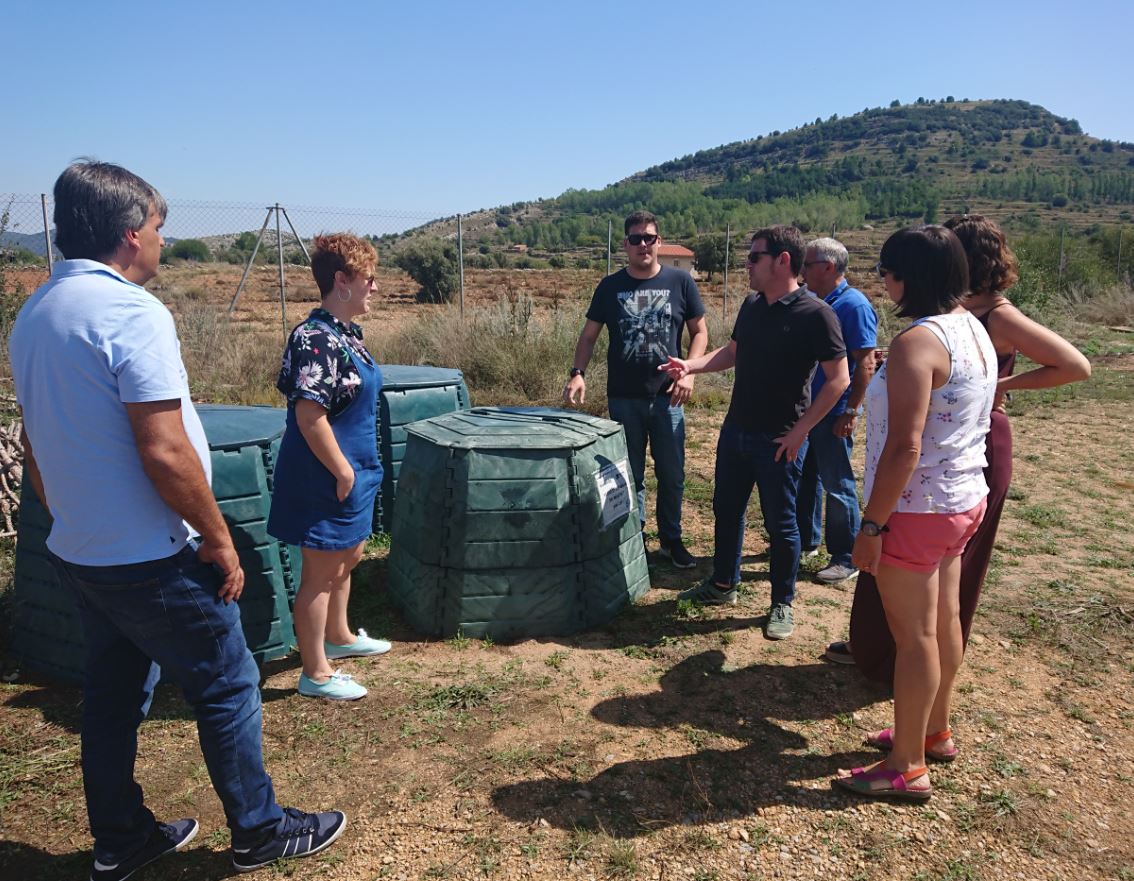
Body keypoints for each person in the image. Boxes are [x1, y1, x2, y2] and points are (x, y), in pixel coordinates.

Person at [9, 161, 345, 880]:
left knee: (112, 691)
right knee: (226, 682)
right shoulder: (132, 313)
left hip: (81, 549)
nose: (163, 243)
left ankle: (121, 836)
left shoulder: (36, 313)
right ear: (131, 235)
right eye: (160, 229)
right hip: (152, 556)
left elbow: (35, 441)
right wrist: (218, 540)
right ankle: (259, 828)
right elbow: (163, 449)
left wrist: (68, 514)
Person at [832, 215, 1091, 678]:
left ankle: (909, 663)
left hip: (965, 448)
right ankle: (888, 653)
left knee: (931, 570)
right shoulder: (955, 321)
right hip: (942, 453)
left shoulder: (995, 315)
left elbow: (1075, 365)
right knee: (921, 574)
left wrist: (998, 384)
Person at [831, 225, 996, 801]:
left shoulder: (915, 344)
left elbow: (904, 446)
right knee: (944, 619)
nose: (884, 281)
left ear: (908, 277)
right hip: (960, 499)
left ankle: (907, 766)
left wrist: (872, 525)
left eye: (889, 271)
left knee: (915, 636)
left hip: (916, 508)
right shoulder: (972, 327)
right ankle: (933, 730)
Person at [660, 226, 848, 640]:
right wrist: (692, 366)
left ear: (783, 260)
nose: (747, 263)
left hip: (779, 439)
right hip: (736, 431)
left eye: (754, 257)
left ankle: (782, 602)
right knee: (726, 510)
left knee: (782, 526)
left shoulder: (817, 314)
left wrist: (800, 433)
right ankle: (724, 584)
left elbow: (839, 380)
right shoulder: (752, 304)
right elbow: (733, 352)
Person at [267, 234, 390, 701]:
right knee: (320, 572)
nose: (374, 288)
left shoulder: (345, 334)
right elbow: (309, 415)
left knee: (349, 556)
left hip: (354, 467)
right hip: (327, 473)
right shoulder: (315, 337)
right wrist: (342, 471)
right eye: (368, 279)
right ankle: (315, 672)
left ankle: (339, 636)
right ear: (341, 281)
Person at [564, 210, 708, 568]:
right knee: (629, 473)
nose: (642, 244)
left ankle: (671, 541)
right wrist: (577, 373)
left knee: (672, 474)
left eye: (649, 238)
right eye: (635, 239)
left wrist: (688, 372)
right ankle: (634, 538)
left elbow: (700, 332)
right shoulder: (610, 287)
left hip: (668, 397)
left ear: (659, 242)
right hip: (624, 397)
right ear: (625, 245)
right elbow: (588, 336)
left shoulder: (681, 282)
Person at [797, 237, 877, 584]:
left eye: (807, 265)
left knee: (837, 482)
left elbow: (866, 363)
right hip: (811, 409)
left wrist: (851, 411)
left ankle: (846, 556)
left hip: (834, 412)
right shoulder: (818, 301)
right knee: (807, 478)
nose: (801, 272)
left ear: (828, 268)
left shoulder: (853, 306)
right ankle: (807, 539)